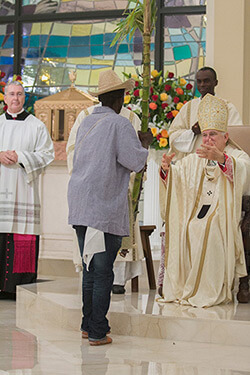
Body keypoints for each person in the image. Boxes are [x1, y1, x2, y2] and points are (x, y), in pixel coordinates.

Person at [67, 70, 151, 345]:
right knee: (103, 271)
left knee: (90, 267)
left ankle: (86, 324)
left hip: (80, 205)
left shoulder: (86, 123)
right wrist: (144, 145)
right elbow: (135, 162)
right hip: (103, 208)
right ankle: (98, 331)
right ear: (117, 98)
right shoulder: (119, 123)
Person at [158, 93, 250, 308]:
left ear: (225, 137)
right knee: (186, 227)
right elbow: (179, 177)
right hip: (196, 212)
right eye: (206, 135)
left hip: (222, 215)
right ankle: (185, 287)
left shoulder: (236, 155)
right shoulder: (196, 157)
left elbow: (244, 172)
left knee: (207, 228)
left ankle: (210, 289)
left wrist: (222, 160)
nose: (208, 140)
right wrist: (166, 170)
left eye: (213, 135)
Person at [66, 104, 144, 295]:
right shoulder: (86, 115)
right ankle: (97, 321)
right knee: (103, 262)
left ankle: (93, 312)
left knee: (95, 261)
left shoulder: (131, 117)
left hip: (93, 193)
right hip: (106, 193)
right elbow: (72, 150)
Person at [0, 80, 54, 299]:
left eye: (20, 94)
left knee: (22, 236)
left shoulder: (36, 126)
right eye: (11, 94)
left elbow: (47, 155)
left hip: (24, 190)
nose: (15, 98)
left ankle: (19, 288)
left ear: (25, 98)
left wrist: (20, 157)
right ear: (4, 98)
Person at [168, 67, 243, 160]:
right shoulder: (189, 107)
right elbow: (173, 136)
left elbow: (236, 137)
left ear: (215, 83)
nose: (202, 85)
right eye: (199, 81)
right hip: (194, 163)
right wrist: (192, 132)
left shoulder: (227, 107)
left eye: (206, 81)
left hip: (217, 162)